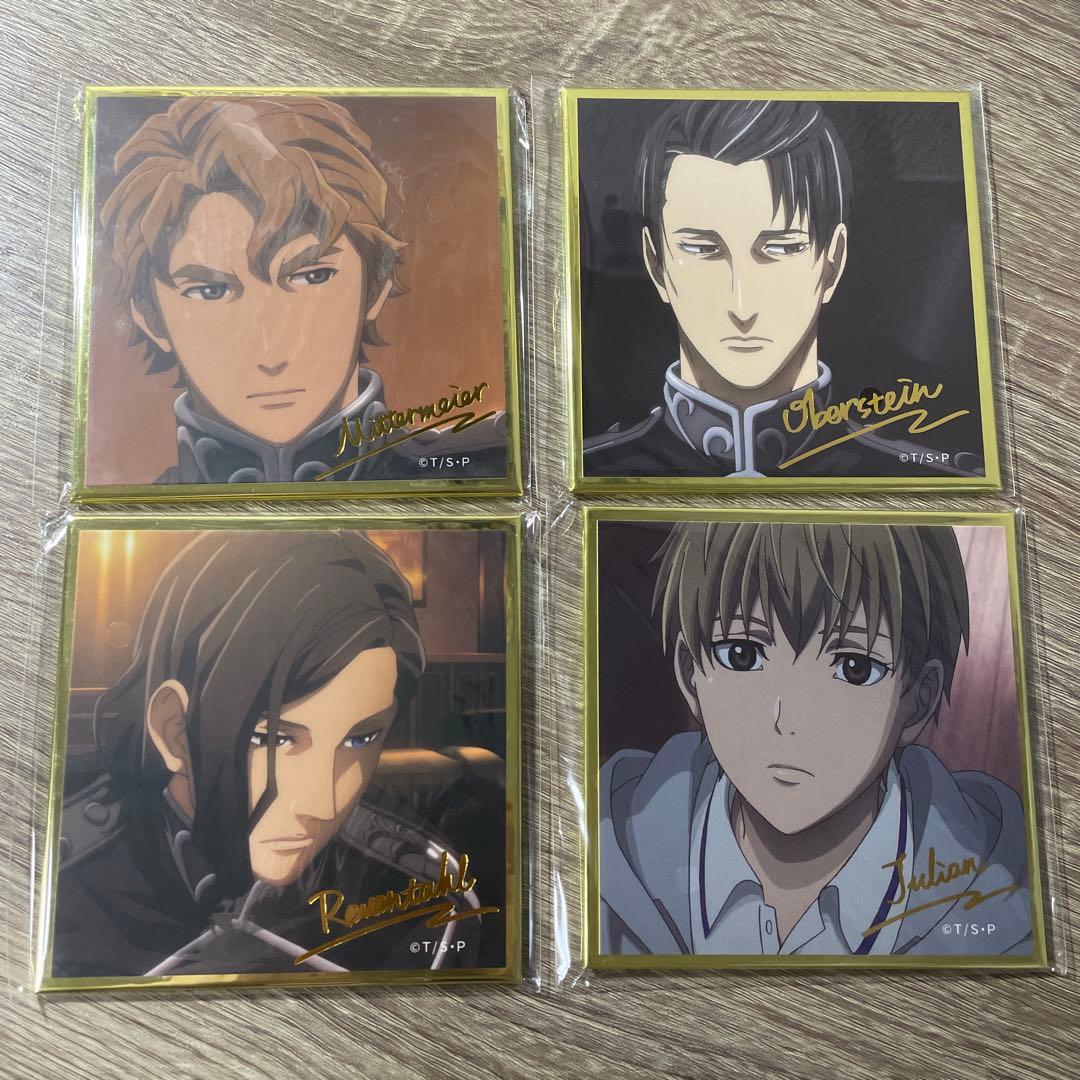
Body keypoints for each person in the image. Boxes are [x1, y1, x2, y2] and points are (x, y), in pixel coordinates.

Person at [51, 531, 499, 977]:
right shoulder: (59, 884)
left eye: (359, 739)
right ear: (174, 730)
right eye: (275, 740)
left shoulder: (427, 903)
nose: (324, 804)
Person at [600, 521, 1032, 956]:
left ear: (918, 701)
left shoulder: (1009, 903)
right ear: (691, 675)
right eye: (743, 655)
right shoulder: (604, 847)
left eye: (854, 668)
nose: (789, 720)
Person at [100, 96, 505, 485]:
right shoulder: (126, 510)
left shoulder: (485, 466)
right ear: (150, 317)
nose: (272, 354)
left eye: (312, 276)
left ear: (376, 286)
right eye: (210, 291)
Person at [583, 100, 982, 479]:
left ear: (832, 261)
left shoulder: (924, 476)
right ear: (656, 263)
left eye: (780, 248)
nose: (741, 305)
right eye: (703, 250)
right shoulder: (595, 468)